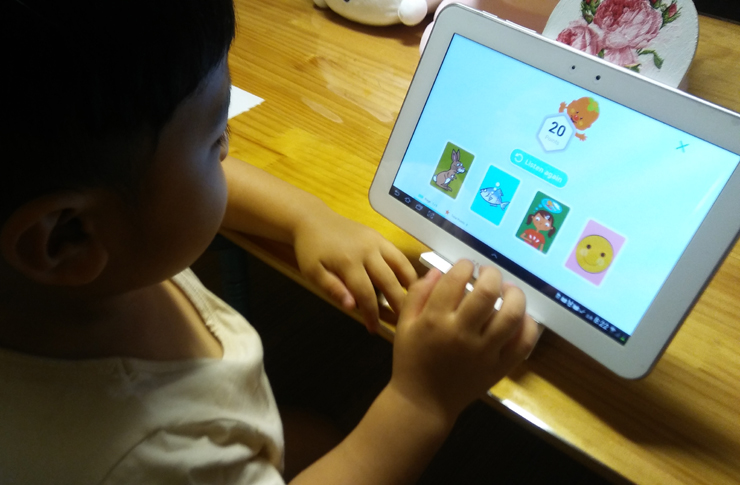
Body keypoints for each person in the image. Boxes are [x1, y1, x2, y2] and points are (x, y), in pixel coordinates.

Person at [0, 1, 539, 484]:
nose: (228, 153)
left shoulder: (86, 259)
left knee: (312, 435)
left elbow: (166, 190)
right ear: (66, 236)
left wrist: (306, 217)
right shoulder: (148, 460)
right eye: (216, 139)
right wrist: (419, 401)